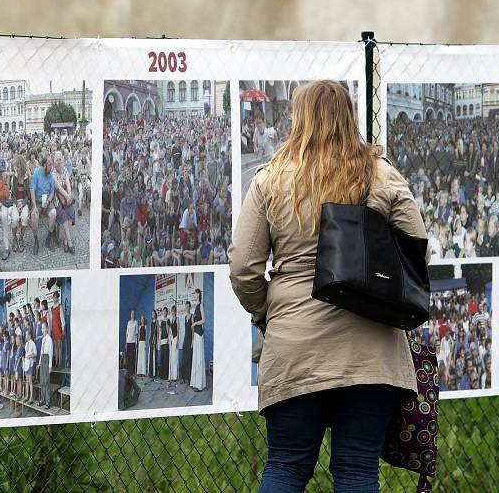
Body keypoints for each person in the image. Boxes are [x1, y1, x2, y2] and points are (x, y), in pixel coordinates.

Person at [229, 80, 428, 492]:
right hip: (371, 352)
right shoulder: (382, 174)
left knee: (285, 467)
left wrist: (270, 313)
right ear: (349, 118)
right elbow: (418, 255)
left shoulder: (271, 180)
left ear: (298, 119)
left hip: (295, 348)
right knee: (357, 471)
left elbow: (244, 269)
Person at [30, 155, 56, 255]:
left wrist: (48, 201)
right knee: (34, 216)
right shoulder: (37, 172)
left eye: (52, 165)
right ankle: (36, 241)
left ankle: (49, 238)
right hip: (37, 201)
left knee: (53, 213)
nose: (51, 167)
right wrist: (34, 206)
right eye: (50, 165)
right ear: (44, 165)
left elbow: (52, 192)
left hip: (47, 201)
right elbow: (32, 189)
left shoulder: (50, 175)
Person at [190, 288, 207, 391]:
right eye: (194, 294)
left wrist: (195, 323)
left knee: (199, 358)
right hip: (195, 334)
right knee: (195, 358)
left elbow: (204, 320)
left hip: (199, 334)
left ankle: (199, 385)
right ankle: (195, 382)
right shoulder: (195, 307)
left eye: (196, 293)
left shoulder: (201, 305)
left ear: (199, 295)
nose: (195, 295)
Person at [37, 323, 53, 409]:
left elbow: (50, 353)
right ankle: (42, 400)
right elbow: (41, 352)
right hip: (43, 359)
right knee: (42, 381)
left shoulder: (49, 339)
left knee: (47, 381)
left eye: (43, 328)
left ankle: (48, 401)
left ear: (47, 329)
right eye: (41, 328)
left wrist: (50, 366)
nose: (42, 330)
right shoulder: (43, 339)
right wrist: (39, 363)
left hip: (47, 359)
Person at [49, 291, 65, 369]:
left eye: (55, 297)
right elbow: (51, 320)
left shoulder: (60, 306)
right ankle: (56, 362)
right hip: (54, 329)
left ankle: (60, 364)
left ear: (58, 298)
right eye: (53, 297)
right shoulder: (51, 308)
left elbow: (62, 319)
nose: (54, 299)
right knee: (55, 347)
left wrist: (63, 330)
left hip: (59, 329)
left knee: (59, 347)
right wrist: (50, 330)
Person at [181, 301, 193, 383]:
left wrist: (192, 341)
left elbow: (193, 330)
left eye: (188, 306)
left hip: (190, 339)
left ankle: (189, 378)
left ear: (190, 307)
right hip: (185, 339)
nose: (187, 308)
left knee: (189, 358)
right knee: (184, 358)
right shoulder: (185, 317)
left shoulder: (192, 316)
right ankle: (183, 377)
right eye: (186, 307)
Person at [24, 330, 37, 403]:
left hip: (31, 364)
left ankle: (31, 398)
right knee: (26, 380)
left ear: (29, 335)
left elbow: (35, 354)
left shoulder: (33, 343)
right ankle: (26, 396)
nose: (25, 336)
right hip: (26, 364)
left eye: (26, 335)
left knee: (30, 381)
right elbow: (26, 353)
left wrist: (29, 356)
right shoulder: (26, 344)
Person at [125, 311, 138, 375]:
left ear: (134, 315)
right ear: (130, 315)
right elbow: (127, 333)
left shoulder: (136, 322)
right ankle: (128, 371)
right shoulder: (128, 322)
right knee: (128, 357)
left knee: (133, 357)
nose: (132, 314)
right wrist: (125, 343)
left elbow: (136, 334)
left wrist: (136, 343)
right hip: (128, 342)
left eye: (133, 313)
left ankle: (132, 371)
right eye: (131, 313)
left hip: (133, 342)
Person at [168, 310, 179, 382]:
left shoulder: (177, 319)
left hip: (176, 339)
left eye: (173, 311)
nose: (172, 313)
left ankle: (175, 376)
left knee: (175, 358)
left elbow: (178, 330)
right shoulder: (171, 320)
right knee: (172, 358)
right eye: (171, 311)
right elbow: (170, 331)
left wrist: (177, 340)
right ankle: (171, 376)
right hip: (172, 339)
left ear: (175, 312)